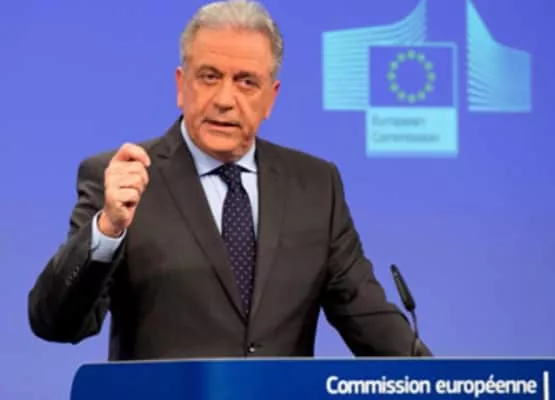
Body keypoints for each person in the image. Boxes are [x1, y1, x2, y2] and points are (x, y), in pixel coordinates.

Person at [28, 0, 431, 360]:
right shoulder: (123, 179)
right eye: (209, 76)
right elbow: (56, 323)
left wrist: (443, 383)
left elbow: (369, 319)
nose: (224, 99)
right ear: (181, 86)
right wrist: (107, 229)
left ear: (271, 97)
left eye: (246, 82)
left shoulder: (315, 186)